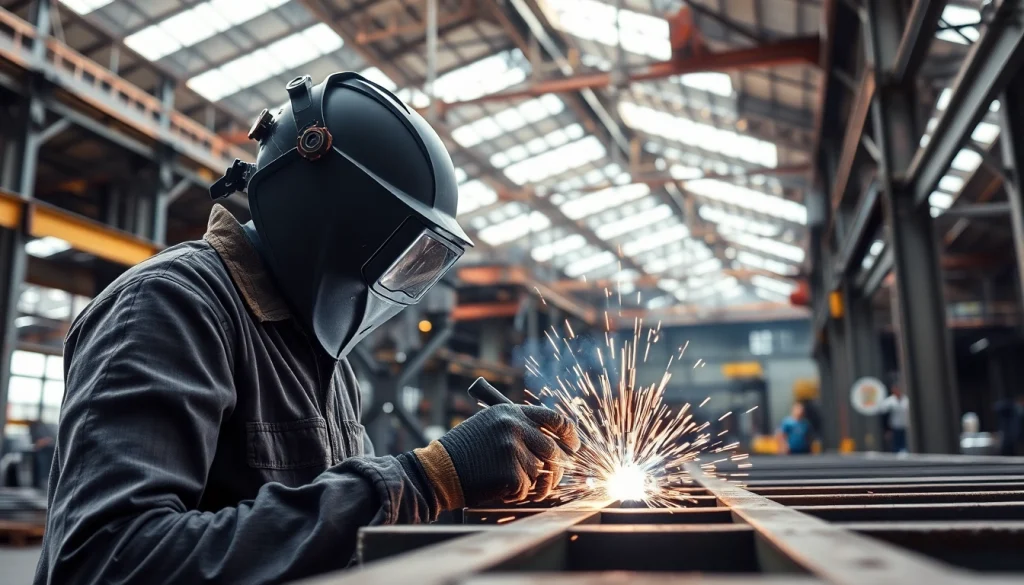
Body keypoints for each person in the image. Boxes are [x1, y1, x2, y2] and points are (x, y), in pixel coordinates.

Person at [35, 72, 581, 585]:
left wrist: (470, 493)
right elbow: (108, 559)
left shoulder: (323, 359)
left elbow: (334, 532)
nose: (390, 282)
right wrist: (426, 478)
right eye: (397, 255)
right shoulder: (169, 306)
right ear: (331, 218)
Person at [879, 381, 909, 453]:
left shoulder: (906, 400)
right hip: (895, 427)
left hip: (905, 426)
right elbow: (884, 416)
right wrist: (887, 429)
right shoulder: (889, 402)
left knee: (905, 443)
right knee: (896, 445)